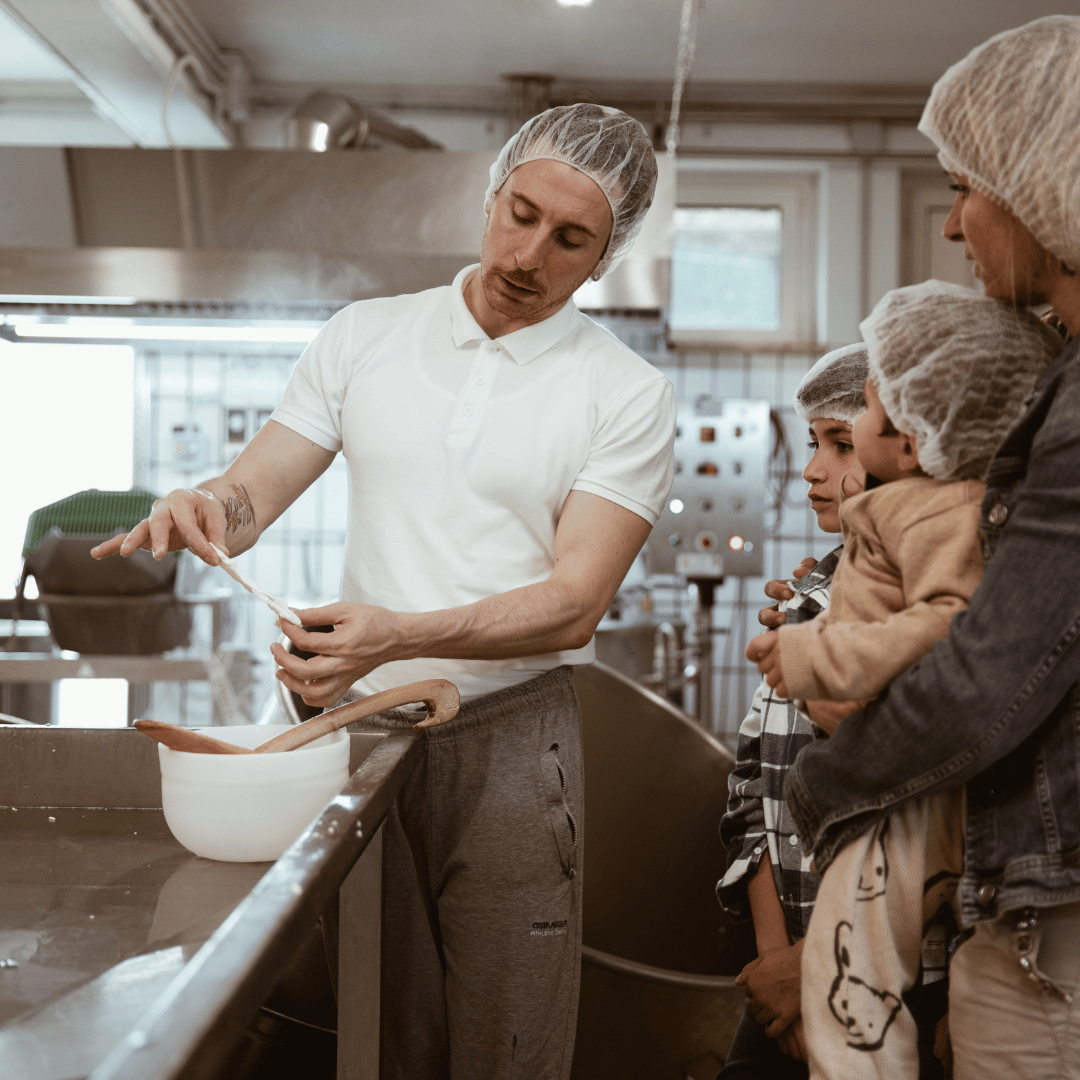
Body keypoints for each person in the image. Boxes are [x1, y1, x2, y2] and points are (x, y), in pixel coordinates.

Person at [92, 103, 676, 1080]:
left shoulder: (623, 392)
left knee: (510, 1043)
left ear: (605, 256)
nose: (529, 252)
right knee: (383, 1032)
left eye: (570, 237)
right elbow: (252, 497)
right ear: (493, 195)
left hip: (515, 746)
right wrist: (203, 504)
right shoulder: (366, 336)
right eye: (520, 212)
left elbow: (576, 601)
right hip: (363, 736)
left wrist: (396, 633)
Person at [780, 18, 1080, 1078]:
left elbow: (991, 675)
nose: (953, 227)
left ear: (1043, 183)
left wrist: (825, 784)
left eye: (964, 187)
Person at [749, 281, 1062, 1080]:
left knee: (858, 970)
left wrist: (817, 658)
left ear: (915, 443)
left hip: (896, 803)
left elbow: (942, 630)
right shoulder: (898, 522)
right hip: (870, 801)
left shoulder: (933, 514)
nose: (824, 461)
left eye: (853, 428)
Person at [717, 343, 868, 1080]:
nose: (812, 469)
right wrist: (776, 964)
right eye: (813, 442)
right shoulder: (806, 598)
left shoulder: (926, 609)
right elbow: (751, 795)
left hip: (875, 972)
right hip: (783, 974)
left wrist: (817, 969)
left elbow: (922, 820)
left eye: (841, 443)